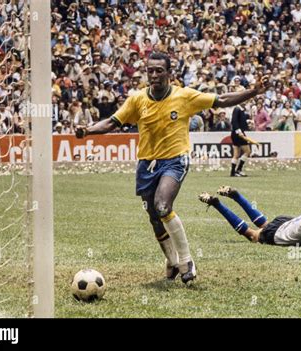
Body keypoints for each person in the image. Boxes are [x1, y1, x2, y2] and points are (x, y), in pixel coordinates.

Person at [76, 52, 270, 284]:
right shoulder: (137, 100)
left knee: (162, 205)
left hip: (175, 160)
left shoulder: (184, 96)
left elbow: (221, 100)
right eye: (151, 70)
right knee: (154, 217)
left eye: (160, 70)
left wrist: (253, 91)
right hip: (147, 164)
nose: (155, 75)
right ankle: (172, 260)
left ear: (169, 73)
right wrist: (87, 130)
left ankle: (187, 261)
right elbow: (112, 122)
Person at [230, 102, 258, 177]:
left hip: (235, 133)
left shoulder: (241, 110)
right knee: (247, 151)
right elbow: (234, 122)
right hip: (238, 134)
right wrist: (239, 131)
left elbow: (240, 122)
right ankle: (239, 169)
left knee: (236, 154)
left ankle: (233, 172)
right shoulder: (237, 109)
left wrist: (248, 122)